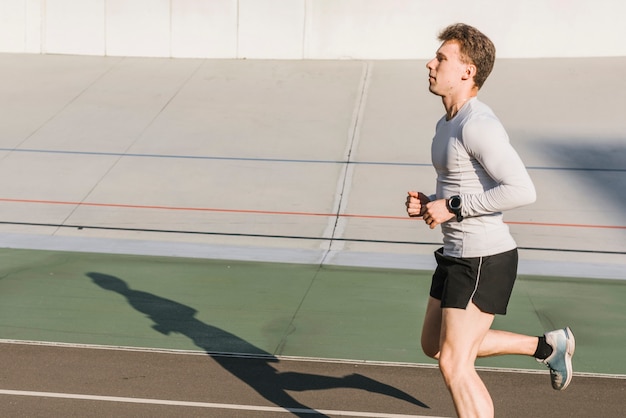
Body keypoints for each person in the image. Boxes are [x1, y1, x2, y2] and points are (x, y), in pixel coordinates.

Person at [405, 23, 575, 417]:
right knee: (434, 345)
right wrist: (432, 203)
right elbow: (462, 190)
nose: (430, 64)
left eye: (442, 58)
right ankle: (547, 348)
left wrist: (454, 207)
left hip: (482, 257)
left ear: (468, 71)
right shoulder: (446, 123)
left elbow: (521, 190)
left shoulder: (478, 124)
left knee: (454, 362)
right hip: (455, 253)